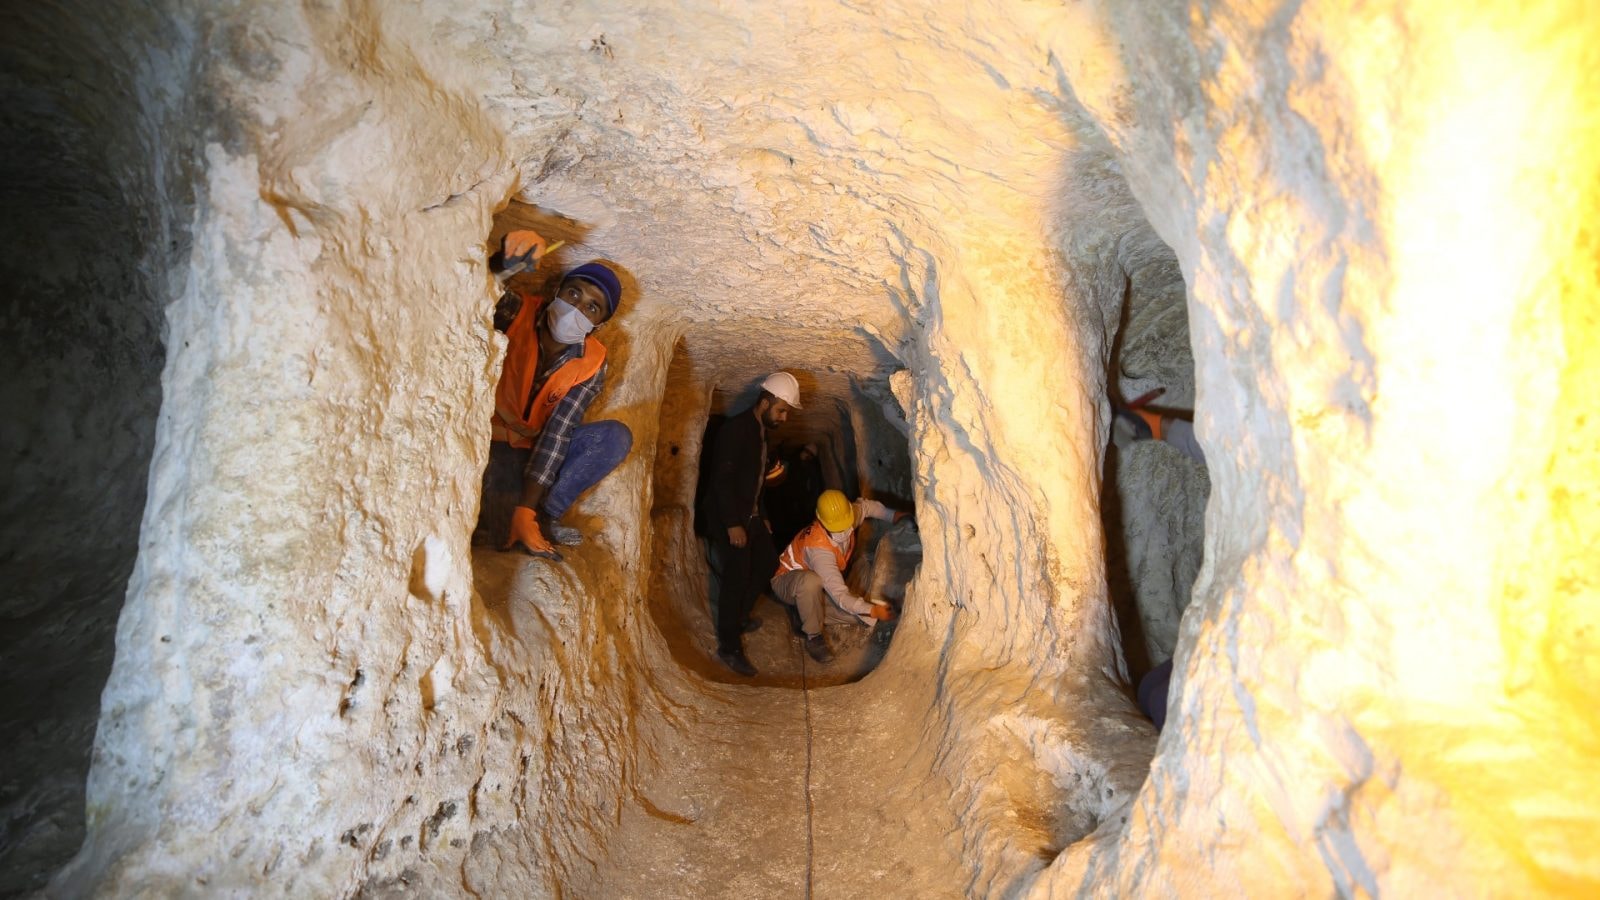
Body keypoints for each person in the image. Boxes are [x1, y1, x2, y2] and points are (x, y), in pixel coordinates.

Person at [481, 229, 632, 561]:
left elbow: (558, 432)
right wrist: (502, 265)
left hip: (533, 448)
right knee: (496, 529)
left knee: (613, 437)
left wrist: (527, 508)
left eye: (592, 308)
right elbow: (475, 292)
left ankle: (542, 517)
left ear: (598, 324)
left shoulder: (593, 361)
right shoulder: (516, 312)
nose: (577, 307)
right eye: (574, 294)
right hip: (485, 440)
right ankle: (508, 518)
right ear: (557, 292)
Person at [702, 372, 802, 676]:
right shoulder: (737, 429)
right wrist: (733, 524)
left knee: (767, 563)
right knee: (736, 575)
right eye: (781, 410)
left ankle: (741, 615)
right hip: (727, 516)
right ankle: (729, 646)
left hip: (751, 514)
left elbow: (755, 482)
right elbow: (723, 479)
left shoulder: (760, 433)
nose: (784, 417)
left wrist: (764, 516)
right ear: (764, 402)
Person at [771, 489, 909, 663]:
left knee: (863, 618)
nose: (844, 531)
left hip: (819, 584)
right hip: (787, 582)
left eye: (846, 524)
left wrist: (895, 515)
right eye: (838, 528)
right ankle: (813, 636)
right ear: (821, 521)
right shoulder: (819, 551)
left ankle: (805, 611)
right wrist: (872, 609)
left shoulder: (848, 515)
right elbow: (840, 595)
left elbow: (867, 507)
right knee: (810, 583)